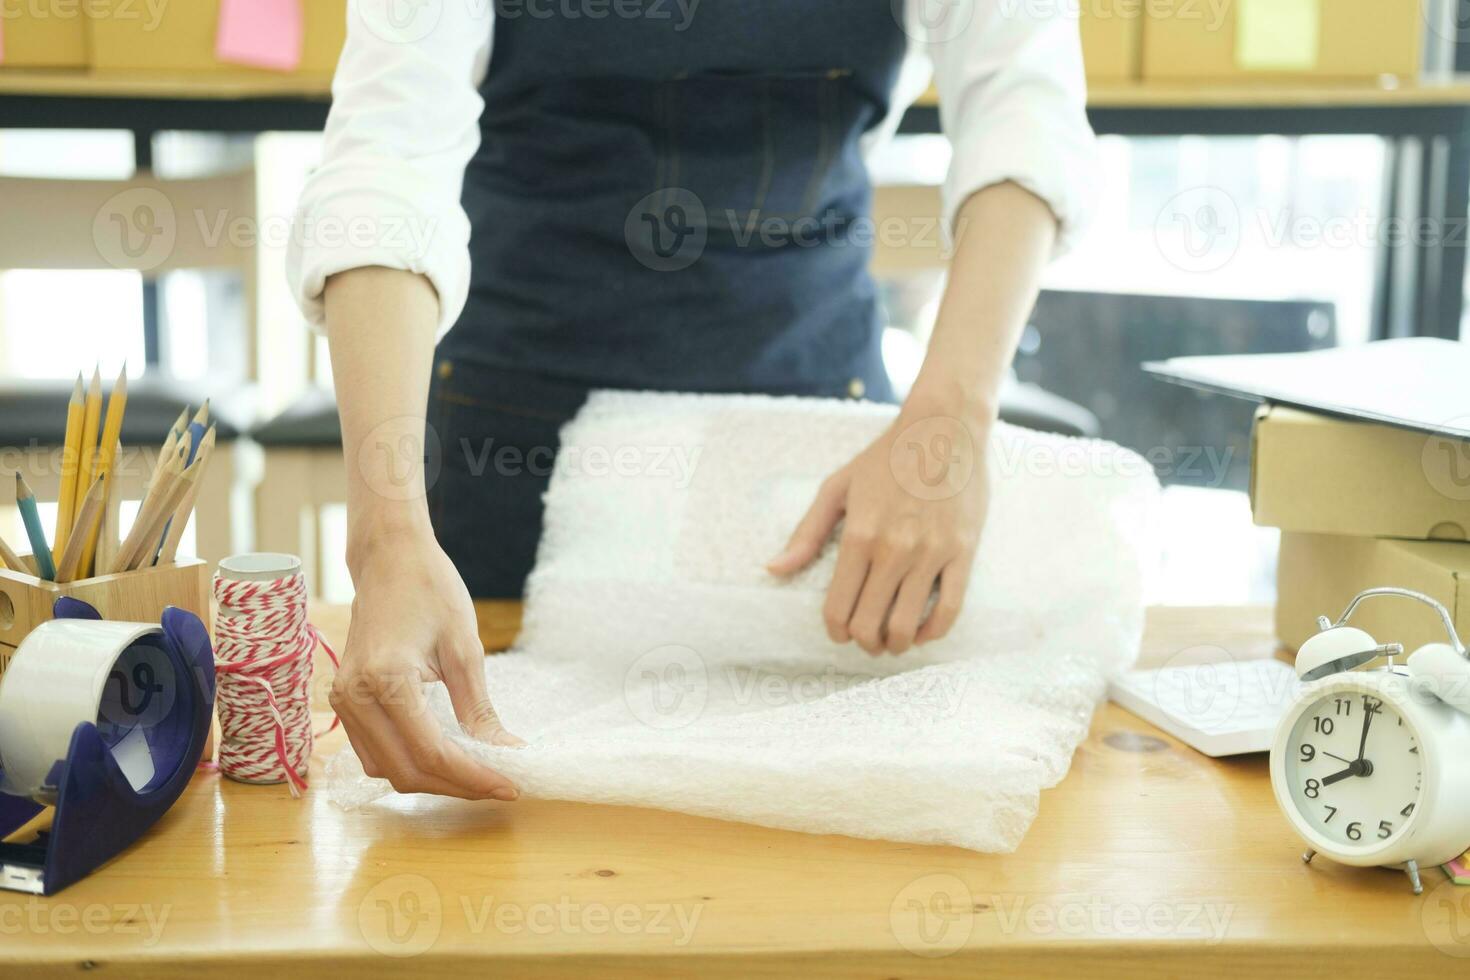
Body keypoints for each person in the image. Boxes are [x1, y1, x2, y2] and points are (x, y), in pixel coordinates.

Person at [287, 0, 1097, 802]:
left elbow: (1024, 109)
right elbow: (388, 165)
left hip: (813, 480)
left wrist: (950, 415)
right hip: (513, 460)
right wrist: (387, 537)